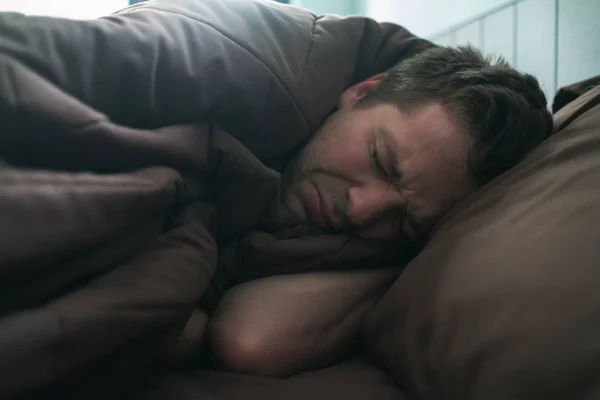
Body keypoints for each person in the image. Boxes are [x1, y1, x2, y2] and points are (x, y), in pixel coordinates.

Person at [164, 45, 553, 377]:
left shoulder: (371, 253)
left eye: (404, 221)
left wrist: (407, 265)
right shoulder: (244, 80)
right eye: (381, 160)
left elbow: (248, 338)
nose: (360, 210)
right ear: (365, 91)